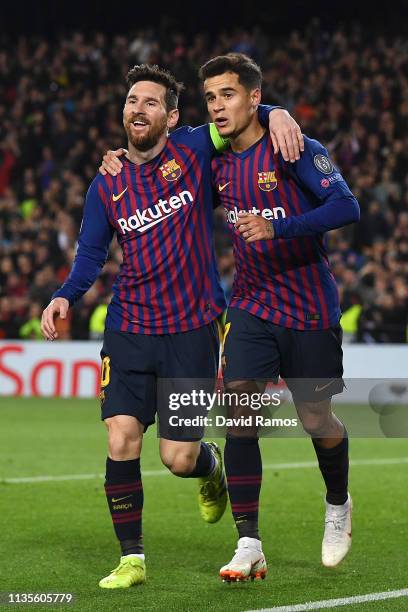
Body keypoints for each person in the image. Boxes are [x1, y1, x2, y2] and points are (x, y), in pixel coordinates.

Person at [41, 63, 304, 589]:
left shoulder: (194, 148)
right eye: (132, 100)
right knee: (121, 437)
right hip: (129, 329)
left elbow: (239, 117)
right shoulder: (107, 183)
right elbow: (92, 252)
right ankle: (131, 559)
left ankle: (210, 468)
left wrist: (277, 112)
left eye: (151, 102)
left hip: (192, 330)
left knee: (177, 458)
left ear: (172, 116)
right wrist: (64, 295)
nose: (138, 108)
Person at [198, 53, 360, 581]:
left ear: (251, 97)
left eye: (228, 94)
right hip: (250, 305)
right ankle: (249, 543)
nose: (218, 106)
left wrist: (278, 227)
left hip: (309, 307)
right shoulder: (214, 158)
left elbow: (346, 207)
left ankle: (338, 502)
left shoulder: (293, 146)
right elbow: (160, 151)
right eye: (210, 98)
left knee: (317, 419)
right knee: (240, 417)